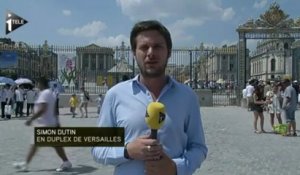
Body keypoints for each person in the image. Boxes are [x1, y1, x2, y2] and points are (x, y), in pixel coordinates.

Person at [91, 20, 207, 175]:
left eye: (158, 46)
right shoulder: (115, 95)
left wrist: (175, 168)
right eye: (144, 47)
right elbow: (98, 148)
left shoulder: (187, 96)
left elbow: (198, 147)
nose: (151, 53)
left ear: (169, 52)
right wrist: (127, 151)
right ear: (134, 53)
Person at [13, 77, 72, 172]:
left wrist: (31, 119)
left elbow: (42, 109)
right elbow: (53, 110)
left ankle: (25, 164)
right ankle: (66, 161)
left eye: (37, 84)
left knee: (38, 144)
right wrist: (57, 123)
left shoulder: (44, 94)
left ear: (41, 84)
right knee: (51, 144)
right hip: (50, 123)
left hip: (46, 124)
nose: (36, 86)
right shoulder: (50, 93)